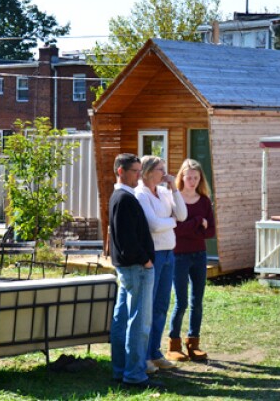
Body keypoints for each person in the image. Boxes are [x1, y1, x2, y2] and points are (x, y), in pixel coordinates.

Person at [109, 153, 162, 390]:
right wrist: (146, 261)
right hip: (136, 268)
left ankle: (122, 370)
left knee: (123, 320)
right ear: (121, 171)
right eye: (135, 171)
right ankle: (134, 373)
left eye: (141, 171)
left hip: (128, 268)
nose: (139, 176)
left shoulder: (121, 197)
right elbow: (127, 239)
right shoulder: (124, 198)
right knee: (139, 322)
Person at [135, 155, 187, 373]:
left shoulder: (165, 192)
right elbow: (153, 225)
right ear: (147, 171)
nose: (164, 173)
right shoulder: (141, 194)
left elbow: (182, 215)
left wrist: (174, 188)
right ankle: (144, 355)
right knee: (148, 304)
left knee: (161, 305)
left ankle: (155, 351)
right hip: (153, 254)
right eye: (160, 169)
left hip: (169, 253)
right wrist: (171, 222)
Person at [166, 159, 216, 362]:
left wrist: (191, 228)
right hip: (178, 256)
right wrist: (197, 223)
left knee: (197, 301)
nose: (193, 181)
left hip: (199, 255)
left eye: (196, 178)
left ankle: (193, 343)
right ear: (182, 178)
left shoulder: (204, 201)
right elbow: (175, 230)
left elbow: (210, 231)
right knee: (181, 301)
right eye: (189, 178)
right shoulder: (174, 199)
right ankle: (174, 343)